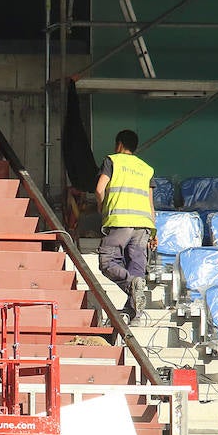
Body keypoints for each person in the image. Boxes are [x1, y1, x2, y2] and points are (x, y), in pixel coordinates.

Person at [95, 129, 155, 321]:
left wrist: (102, 207)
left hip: (120, 221)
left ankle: (131, 284)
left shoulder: (113, 160)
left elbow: (99, 189)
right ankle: (133, 314)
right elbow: (150, 203)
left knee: (107, 262)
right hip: (144, 224)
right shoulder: (146, 168)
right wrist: (154, 232)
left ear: (119, 144)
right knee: (137, 267)